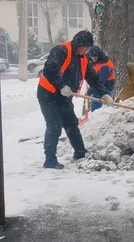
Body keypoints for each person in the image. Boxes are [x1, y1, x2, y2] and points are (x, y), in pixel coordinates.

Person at [37, 30, 113, 169]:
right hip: (48, 94)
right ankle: (50, 161)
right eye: (85, 47)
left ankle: (80, 152)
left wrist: (103, 93)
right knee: (54, 127)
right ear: (78, 43)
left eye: (88, 48)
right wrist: (61, 86)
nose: (86, 50)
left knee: (71, 123)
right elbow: (49, 70)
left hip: (64, 96)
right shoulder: (61, 51)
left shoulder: (84, 59)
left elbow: (92, 77)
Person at [86, 45, 116, 112]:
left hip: (106, 88)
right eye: (92, 57)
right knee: (95, 109)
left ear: (99, 55)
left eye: (95, 57)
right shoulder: (94, 60)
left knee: (101, 111)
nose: (94, 58)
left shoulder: (105, 66)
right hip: (98, 87)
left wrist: (89, 91)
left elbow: (99, 82)